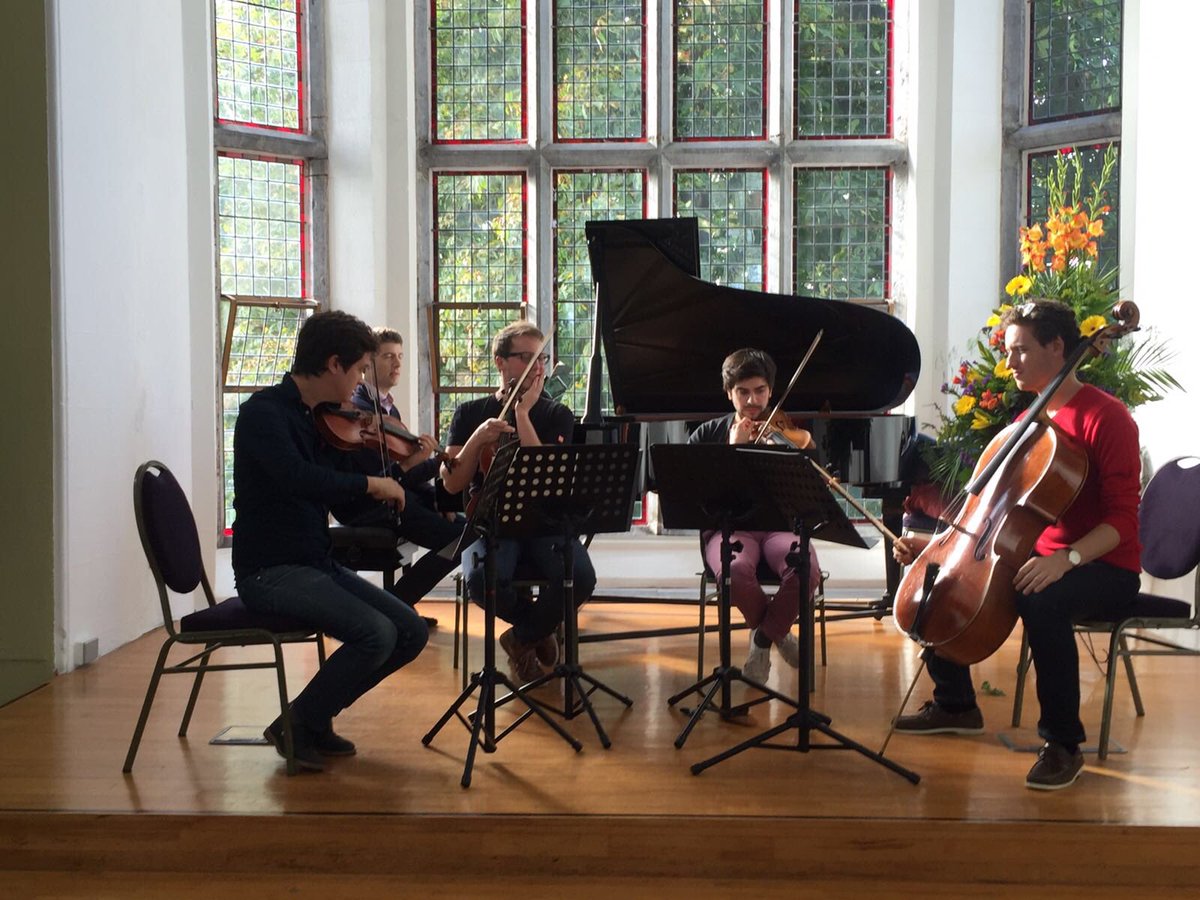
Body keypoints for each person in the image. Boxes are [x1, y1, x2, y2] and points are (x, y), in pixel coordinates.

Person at [892, 299, 1142, 791]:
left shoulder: (1107, 420)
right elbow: (991, 513)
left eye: (1020, 351)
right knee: (938, 576)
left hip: (1103, 563)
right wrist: (935, 543)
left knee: (1039, 597)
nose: (1008, 364)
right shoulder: (1029, 418)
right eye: (1007, 352)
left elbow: (1124, 522)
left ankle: (1063, 744)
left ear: (1057, 347)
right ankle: (956, 703)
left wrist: (1066, 561)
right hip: (1034, 552)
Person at [232, 311, 429, 772]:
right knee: (375, 633)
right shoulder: (263, 414)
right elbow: (298, 479)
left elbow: (349, 505)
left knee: (410, 631)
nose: (361, 380)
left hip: (315, 562)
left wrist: (393, 475)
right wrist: (369, 485)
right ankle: (299, 722)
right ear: (335, 364)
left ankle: (313, 718)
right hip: (270, 570)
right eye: (361, 368)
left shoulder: (320, 422)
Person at [439, 322, 596, 685]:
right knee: (481, 580)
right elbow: (451, 484)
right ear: (501, 362)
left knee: (582, 577)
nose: (537, 366)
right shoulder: (469, 413)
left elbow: (548, 479)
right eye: (526, 357)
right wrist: (478, 438)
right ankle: (537, 628)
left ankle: (520, 638)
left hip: (545, 521)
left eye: (541, 358)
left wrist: (523, 415)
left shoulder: (556, 413)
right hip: (491, 521)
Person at [687, 348, 823, 685]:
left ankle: (761, 641)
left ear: (771, 391)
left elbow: (811, 493)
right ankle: (780, 634)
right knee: (732, 569)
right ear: (728, 393)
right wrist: (732, 450)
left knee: (806, 567)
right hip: (729, 528)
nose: (753, 400)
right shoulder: (706, 435)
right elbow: (694, 495)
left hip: (779, 528)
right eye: (743, 392)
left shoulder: (787, 435)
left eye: (760, 391)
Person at [329, 327, 465, 613]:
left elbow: (403, 477)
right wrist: (428, 463)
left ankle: (399, 603)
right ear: (368, 362)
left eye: (400, 356)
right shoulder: (356, 412)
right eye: (388, 356)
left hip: (393, 496)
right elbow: (384, 478)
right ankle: (396, 606)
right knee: (458, 540)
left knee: (465, 530)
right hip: (366, 504)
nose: (397, 364)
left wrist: (438, 498)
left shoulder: (388, 411)